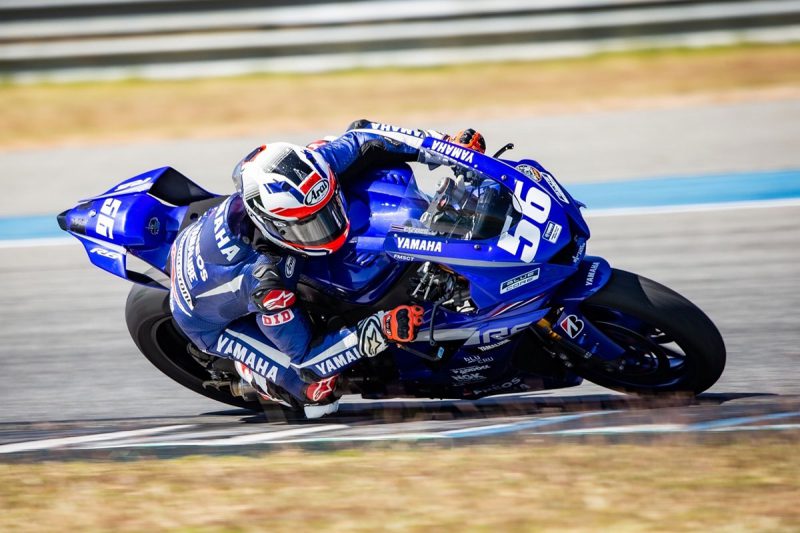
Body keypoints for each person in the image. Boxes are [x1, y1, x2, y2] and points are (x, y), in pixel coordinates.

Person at [168, 120, 486, 418]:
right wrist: (380, 329)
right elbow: (308, 358)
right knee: (315, 392)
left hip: (215, 240)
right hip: (204, 320)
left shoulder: (311, 167)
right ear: (275, 227)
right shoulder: (268, 283)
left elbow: (366, 136)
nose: (328, 228)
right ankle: (252, 374)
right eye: (311, 226)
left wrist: (446, 146)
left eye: (328, 210)